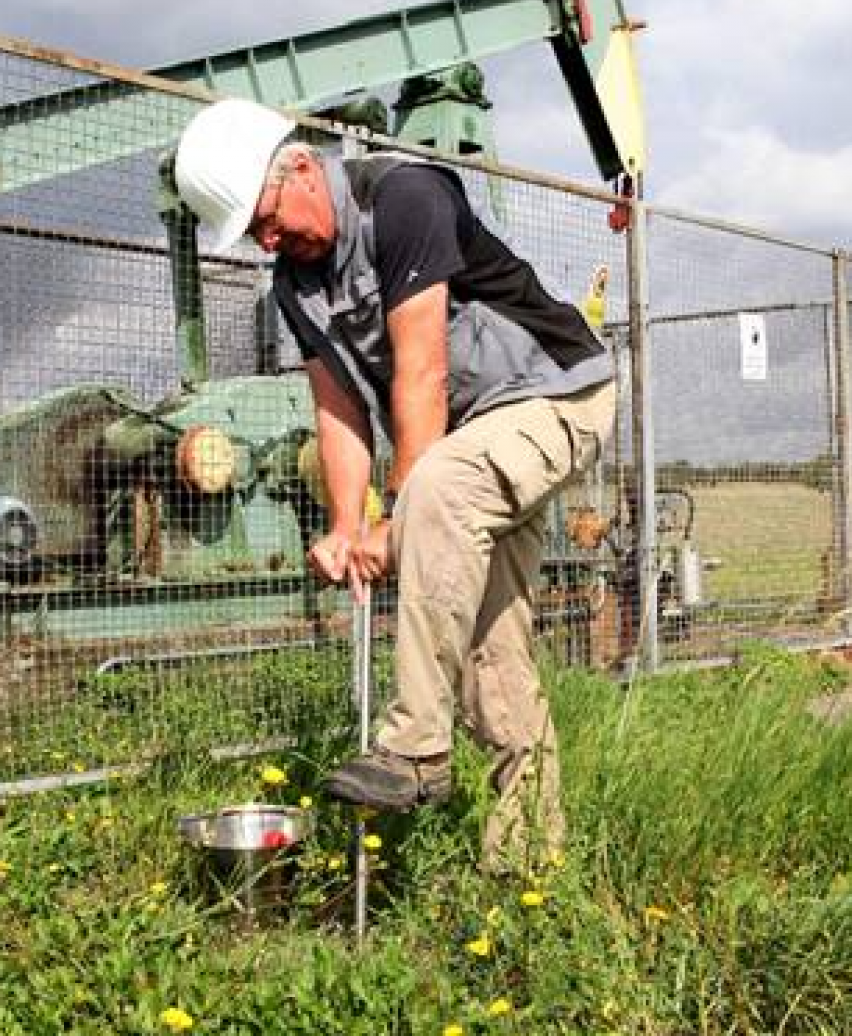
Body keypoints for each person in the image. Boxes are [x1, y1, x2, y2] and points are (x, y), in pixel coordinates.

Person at [172, 98, 617, 873]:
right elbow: (339, 410)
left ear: (303, 166)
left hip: (556, 396)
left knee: (436, 488)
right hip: (474, 441)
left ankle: (415, 749)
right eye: (253, 234)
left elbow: (421, 375)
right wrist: (348, 528)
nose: (268, 240)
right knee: (485, 647)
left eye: (267, 218)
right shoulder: (295, 286)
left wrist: (397, 523)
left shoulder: (404, 198)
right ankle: (529, 869)